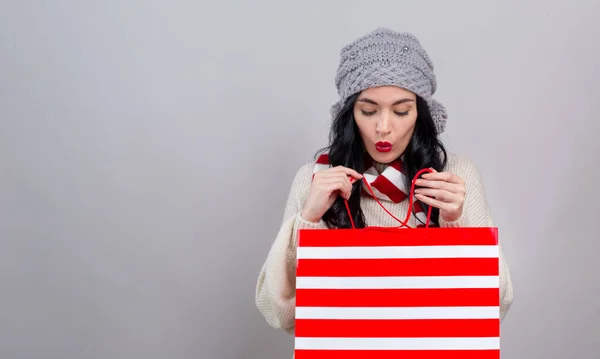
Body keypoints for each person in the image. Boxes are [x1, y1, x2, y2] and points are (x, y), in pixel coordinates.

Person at [255, 27, 514, 337]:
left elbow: (495, 305)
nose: (384, 127)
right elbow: (279, 312)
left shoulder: (455, 176)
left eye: (402, 110)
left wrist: (455, 223)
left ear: (421, 114)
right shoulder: (317, 179)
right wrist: (307, 220)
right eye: (368, 110)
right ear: (350, 113)